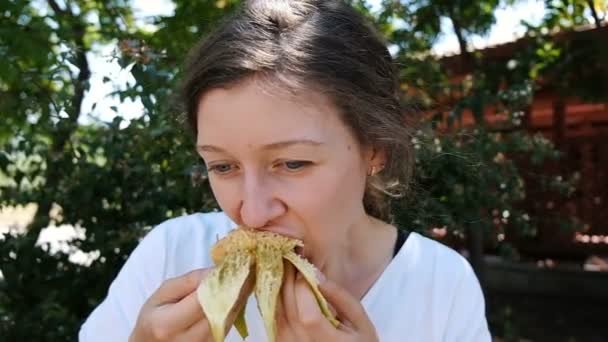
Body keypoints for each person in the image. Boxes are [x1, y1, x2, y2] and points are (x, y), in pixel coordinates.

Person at [79, 0, 491, 341]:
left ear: (376, 150)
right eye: (223, 166)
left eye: (293, 163)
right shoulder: (170, 255)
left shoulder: (441, 283)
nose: (252, 214)